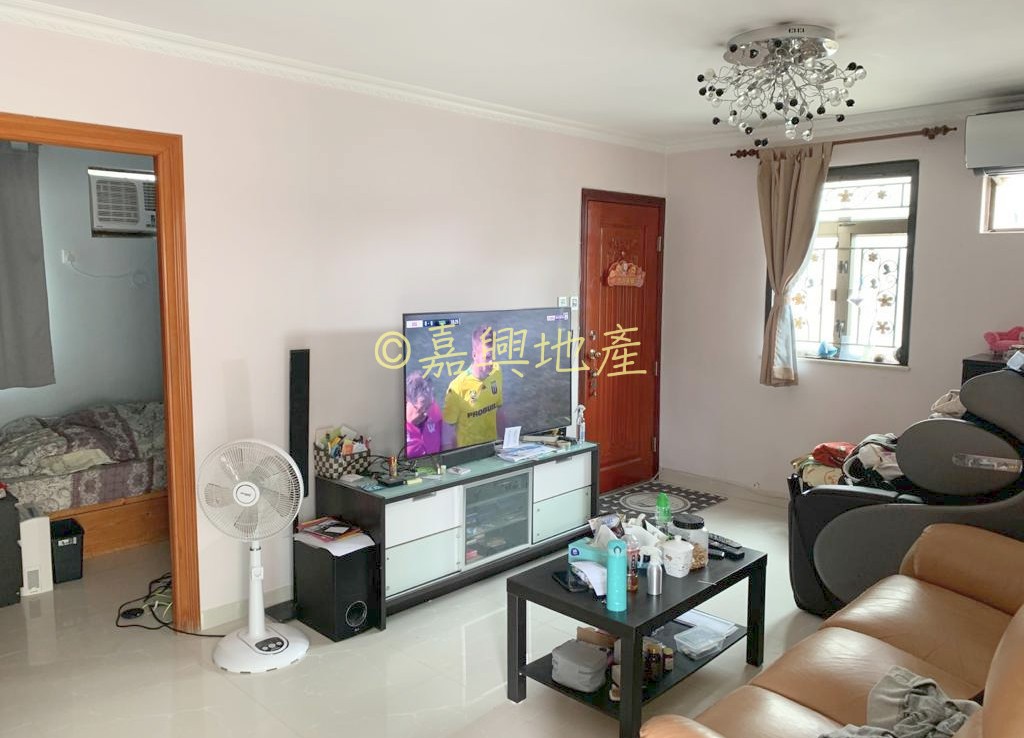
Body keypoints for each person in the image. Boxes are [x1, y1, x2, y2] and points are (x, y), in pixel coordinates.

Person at [442, 325, 505, 449]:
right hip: (468, 454)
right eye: (487, 357)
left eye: (494, 356)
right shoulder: (457, 387)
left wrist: (506, 442)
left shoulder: (497, 372)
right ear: (474, 355)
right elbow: (447, 433)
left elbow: (499, 410)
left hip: (493, 449)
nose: (492, 363)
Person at [405, 371, 442, 457]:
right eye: (422, 402)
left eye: (429, 403)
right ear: (408, 399)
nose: (426, 412)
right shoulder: (397, 426)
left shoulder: (434, 409)